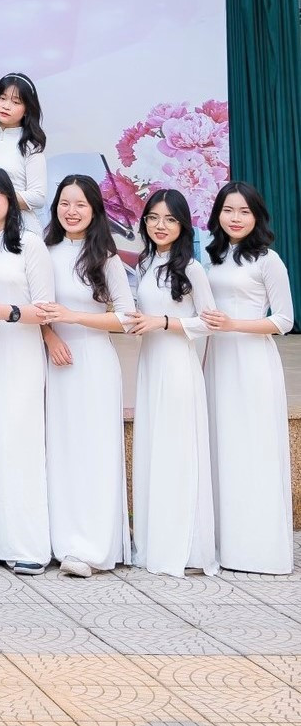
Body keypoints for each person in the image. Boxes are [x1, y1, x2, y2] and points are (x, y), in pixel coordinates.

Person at [34, 175, 132, 578]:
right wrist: (50, 335)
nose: (71, 211)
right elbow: (37, 307)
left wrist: (73, 317)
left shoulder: (105, 257)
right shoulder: (43, 251)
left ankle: (92, 547)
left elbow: (127, 317)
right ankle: (63, 542)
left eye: (80, 204)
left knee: (94, 451)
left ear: (94, 210)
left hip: (94, 362)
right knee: (62, 451)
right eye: (64, 203)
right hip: (57, 363)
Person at [0, 168, 55, 575]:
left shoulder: (29, 244)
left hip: (18, 355)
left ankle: (28, 544)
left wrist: (8, 311)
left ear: (9, 198)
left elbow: (46, 309)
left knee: (19, 444)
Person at [201, 181, 293, 575]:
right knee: (223, 447)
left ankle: (259, 551)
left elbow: (284, 320)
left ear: (257, 216)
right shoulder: (212, 257)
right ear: (217, 214)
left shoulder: (268, 260)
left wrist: (233, 324)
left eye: (244, 211)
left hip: (252, 362)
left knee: (253, 449)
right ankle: (226, 544)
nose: (235, 218)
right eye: (228, 210)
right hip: (217, 361)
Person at [129, 189, 218, 576]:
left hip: (179, 366)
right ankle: (155, 543)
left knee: (177, 450)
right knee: (154, 449)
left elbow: (210, 322)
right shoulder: (146, 262)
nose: (160, 225)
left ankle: (186, 548)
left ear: (183, 225)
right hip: (150, 364)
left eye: (169, 219)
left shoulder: (192, 268)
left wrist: (164, 322)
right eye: (153, 218)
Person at [0, 74, 48, 234]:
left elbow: (38, 197)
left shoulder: (31, 146)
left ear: (27, 110)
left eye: (16, 102)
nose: (6, 106)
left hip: (18, 226)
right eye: (2, 98)